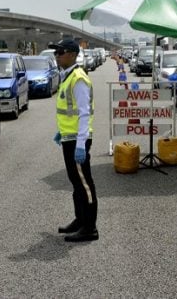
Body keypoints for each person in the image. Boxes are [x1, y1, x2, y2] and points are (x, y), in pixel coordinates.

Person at [49, 38, 98, 242]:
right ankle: (80, 219)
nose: (57, 56)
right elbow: (70, 112)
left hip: (78, 140)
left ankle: (90, 228)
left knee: (84, 184)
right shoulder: (67, 76)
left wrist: (80, 144)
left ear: (71, 54)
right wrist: (63, 132)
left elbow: (84, 114)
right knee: (76, 182)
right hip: (70, 138)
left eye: (59, 52)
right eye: (56, 53)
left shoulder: (77, 78)